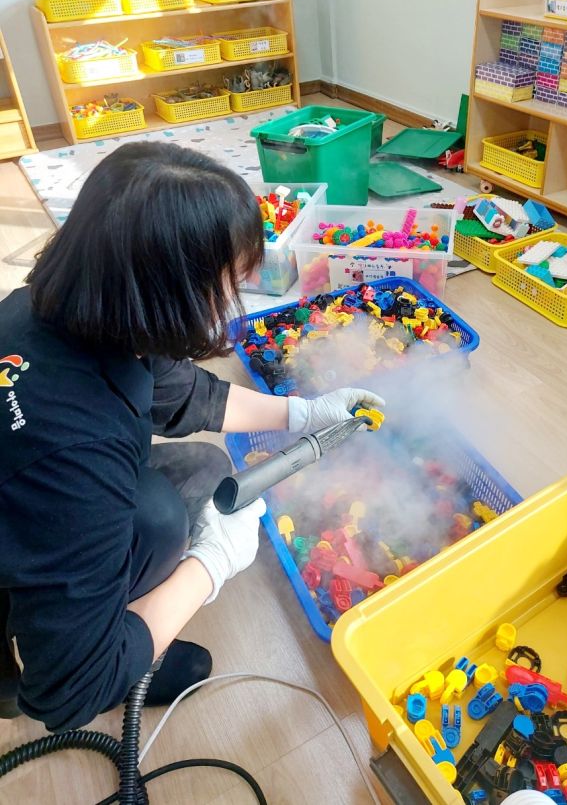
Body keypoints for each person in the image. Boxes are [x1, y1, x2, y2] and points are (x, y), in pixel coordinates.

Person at [0, 142, 383, 732]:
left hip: (27, 499)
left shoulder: (70, 305)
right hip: (36, 537)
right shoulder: (76, 449)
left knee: (202, 470)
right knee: (156, 519)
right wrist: (209, 565)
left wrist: (304, 414)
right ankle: (96, 653)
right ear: (166, 290)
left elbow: (188, 395)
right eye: (227, 281)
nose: (234, 295)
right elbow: (66, 695)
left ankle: (118, 630)